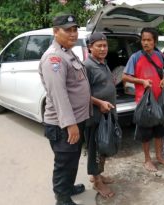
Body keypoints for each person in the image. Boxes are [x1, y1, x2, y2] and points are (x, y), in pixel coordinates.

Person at [39, 14, 90, 205]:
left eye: (75, 29)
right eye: (67, 30)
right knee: (64, 163)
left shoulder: (68, 52)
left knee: (72, 160)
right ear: (55, 31)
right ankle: (62, 199)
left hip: (75, 120)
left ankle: (67, 188)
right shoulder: (54, 58)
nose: (73, 33)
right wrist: (71, 125)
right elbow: (59, 95)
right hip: (63, 125)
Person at [122, 27, 164, 172]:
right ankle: (147, 160)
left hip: (159, 99)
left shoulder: (160, 56)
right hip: (144, 101)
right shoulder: (136, 57)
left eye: (149, 40)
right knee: (146, 132)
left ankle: (159, 157)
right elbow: (125, 76)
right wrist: (141, 81)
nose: (145, 42)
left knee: (160, 131)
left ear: (154, 41)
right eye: (143, 40)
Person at [83, 32, 115, 198]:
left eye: (105, 45)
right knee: (96, 148)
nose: (103, 49)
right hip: (94, 115)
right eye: (99, 46)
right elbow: (81, 94)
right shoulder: (87, 66)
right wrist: (100, 103)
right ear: (90, 47)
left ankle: (98, 174)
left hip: (106, 114)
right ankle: (97, 182)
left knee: (103, 146)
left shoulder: (103, 63)